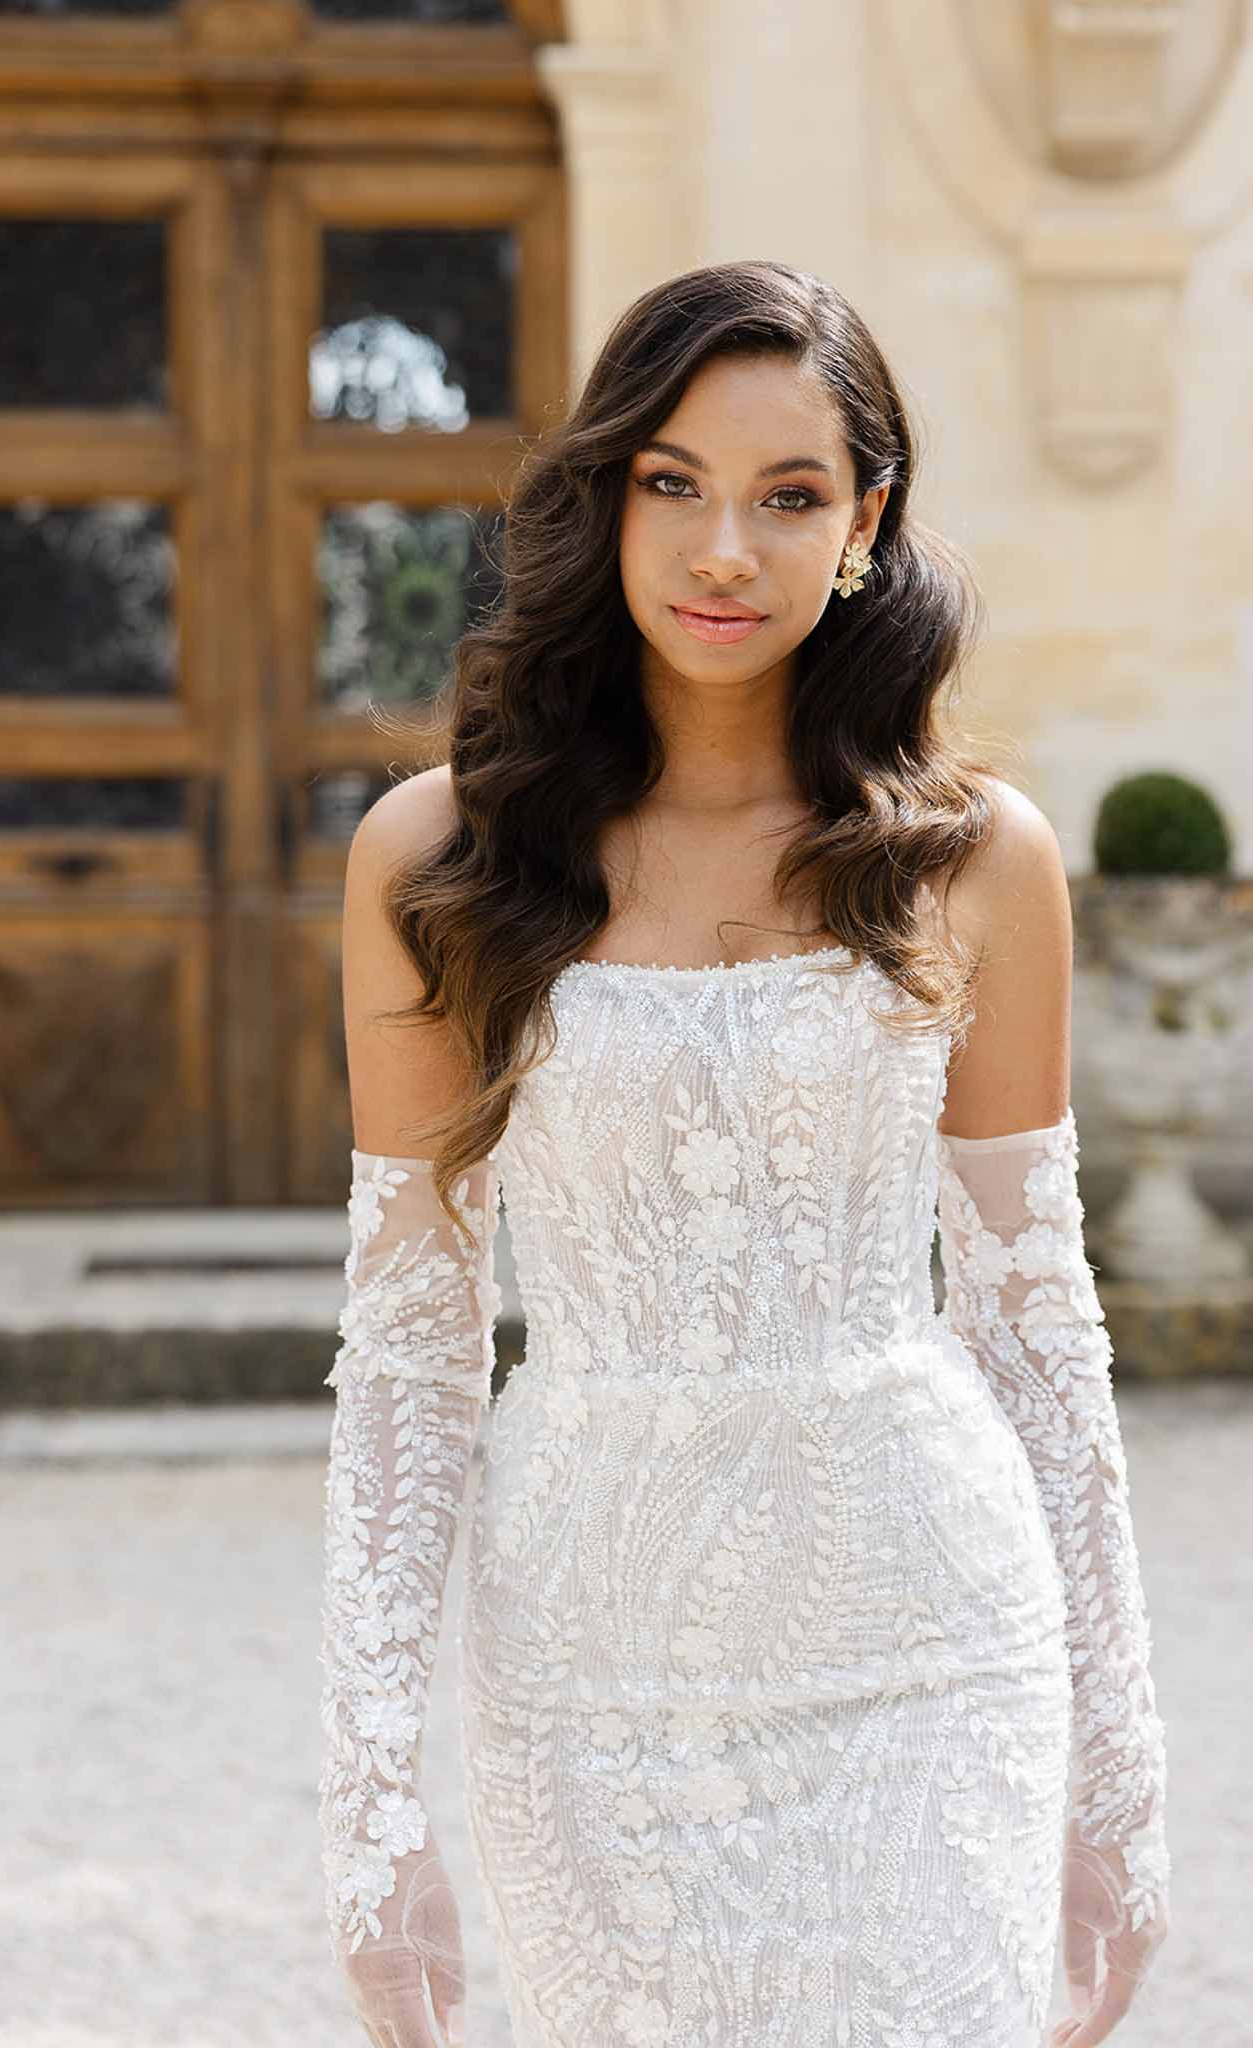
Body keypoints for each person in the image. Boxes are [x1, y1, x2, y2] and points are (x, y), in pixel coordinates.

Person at [316, 261, 1170, 2048]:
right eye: (674, 484)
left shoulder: (967, 859)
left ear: (864, 525)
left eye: (789, 497)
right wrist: (375, 1799)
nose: (726, 550)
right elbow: (409, 1349)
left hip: (923, 1639)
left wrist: (1117, 1762)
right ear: (607, 495)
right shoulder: (436, 859)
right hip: (585, 1660)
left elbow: (1032, 1320)